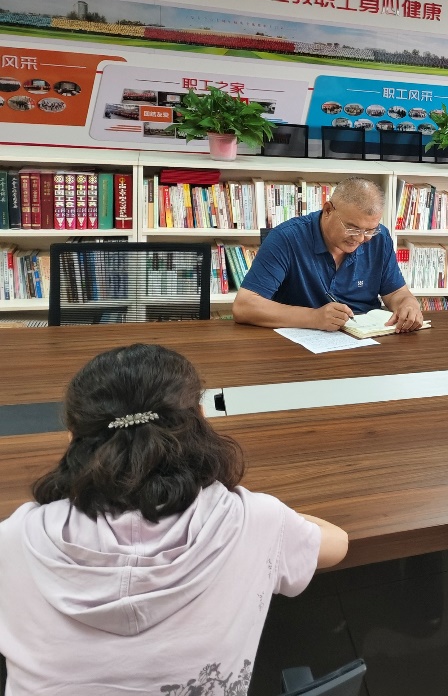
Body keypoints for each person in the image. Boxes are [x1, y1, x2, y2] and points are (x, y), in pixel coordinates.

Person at [0, 343, 348, 694]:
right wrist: (262, 515)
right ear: (201, 418)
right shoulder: (254, 521)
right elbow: (336, 543)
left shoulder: (13, 539)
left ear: (73, 439)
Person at [233, 176, 425, 332]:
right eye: (352, 228)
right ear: (327, 210)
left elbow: (396, 293)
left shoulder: (380, 238)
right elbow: (244, 306)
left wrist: (408, 304)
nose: (360, 238)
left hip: (366, 340)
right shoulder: (286, 238)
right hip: (299, 343)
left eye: (369, 230)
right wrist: (314, 317)